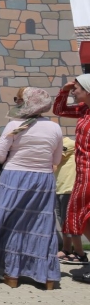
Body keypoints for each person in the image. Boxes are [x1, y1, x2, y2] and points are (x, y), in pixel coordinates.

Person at [0, 87, 62, 289]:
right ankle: (47, 276)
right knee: (42, 225)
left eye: (19, 99)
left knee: (11, 223)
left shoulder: (15, 124)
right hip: (43, 179)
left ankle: (12, 274)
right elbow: (56, 159)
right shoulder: (54, 128)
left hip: (14, 177)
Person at [53, 76, 90, 284]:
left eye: (76, 88)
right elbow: (59, 110)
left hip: (88, 174)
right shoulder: (84, 110)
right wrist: (64, 91)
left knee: (79, 217)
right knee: (81, 219)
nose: (74, 92)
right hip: (83, 173)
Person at [55, 137, 86, 264]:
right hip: (60, 188)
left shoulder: (67, 142)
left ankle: (80, 253)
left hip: (69, 188)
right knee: (63, 221)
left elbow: (55, 160)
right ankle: (67, 249)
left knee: (70, 221)